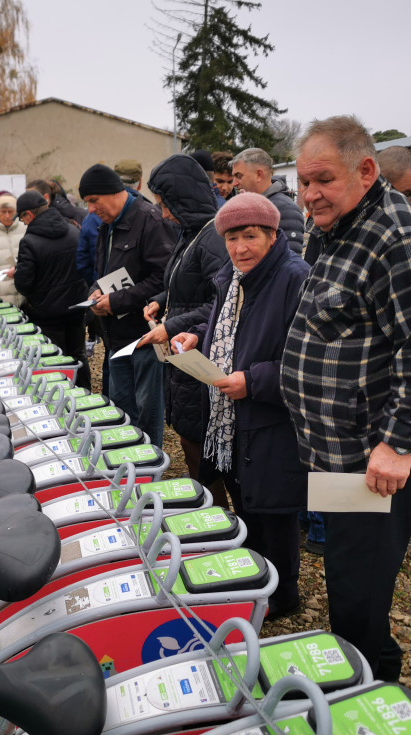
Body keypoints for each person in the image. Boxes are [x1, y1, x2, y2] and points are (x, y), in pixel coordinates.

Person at [281, 116, 411, 681]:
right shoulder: (338, 227)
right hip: (339, 448)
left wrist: (397, 445)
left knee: (358, 581)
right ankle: (371, 665)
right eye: (303, 182)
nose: (309, 195)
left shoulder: (399, 238)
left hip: (373, 457)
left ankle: (366, 700)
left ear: (366, 170)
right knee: (349, 572)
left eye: (322, 180)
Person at [170, 192, 309, 620]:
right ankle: (255, 579)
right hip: (233, 422)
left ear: (272, 234)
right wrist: (197, 334)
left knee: (275, 513)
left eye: (250, 236)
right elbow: (225, 324)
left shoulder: (294, 278)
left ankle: (283, 596)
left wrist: (254, 380)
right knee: (246, 502)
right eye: (231, 238)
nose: (239, 248)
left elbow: (310, 362)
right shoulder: (233, 278)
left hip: (272, 422)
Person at [139, 153, 229, 486]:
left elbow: (221, 301)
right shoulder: (191, 232)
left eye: (166, 204)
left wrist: (172, 325)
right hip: (183, 354)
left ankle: (213, 513)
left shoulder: (214, 238)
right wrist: (160, 300)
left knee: (200, 446)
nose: (162, 213)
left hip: (198, 353)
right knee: (191, 441)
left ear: (183, 199)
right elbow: (185, 284)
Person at [81, 163, 175, 447]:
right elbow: (104, 272)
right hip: (115, 334)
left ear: (114, 193)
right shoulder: (106, 226)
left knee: (147, 410)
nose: (90, 209)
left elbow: (164, 279)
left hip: (143, 335)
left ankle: (150, 469)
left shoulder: (151, 220)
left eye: (93, 201)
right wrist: (96, 293)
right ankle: (127, 465)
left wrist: (117, 300)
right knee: (121, 408)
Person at [14, 190, 91, 389]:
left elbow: (23, 284)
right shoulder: (74, 229)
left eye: (22, 218)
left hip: (46, 313)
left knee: (53, 360)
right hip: (76, 307)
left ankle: (61, 405)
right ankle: (85, 398)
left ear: (29, 215)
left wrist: (16, 272)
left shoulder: (29, 242)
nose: (23, 224)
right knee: (78, 356)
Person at [230, 147, 305, 255]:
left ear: (259, 175)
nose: (234, 183)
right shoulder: (252, 205)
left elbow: (288, 263)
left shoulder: (285, 210)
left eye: (239, 176)